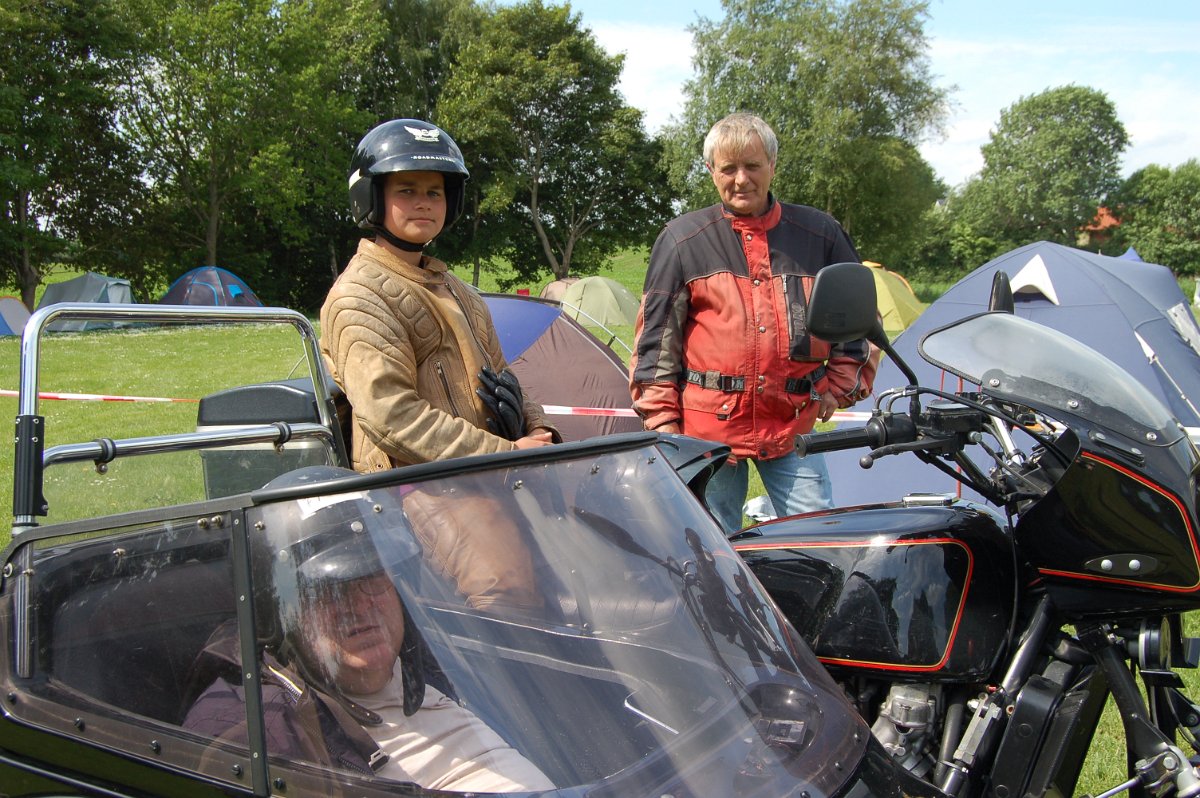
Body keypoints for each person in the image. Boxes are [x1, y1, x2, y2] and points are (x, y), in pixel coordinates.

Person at [183, 467, 555, 793]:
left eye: (374, 577)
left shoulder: (433, 656)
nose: (361, 605)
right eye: (332, 591)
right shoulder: (255, 731)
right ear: (278, 611)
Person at [321, 119, 558, 611]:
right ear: (371, 197)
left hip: (490, 471)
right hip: (418, 485)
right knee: (506, 591)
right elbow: (392, 416)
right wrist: (506, 453)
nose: (424, 202)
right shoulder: (358, 297)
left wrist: (539, 432)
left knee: (588, 570)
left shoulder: (461, 292)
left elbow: (503, 375)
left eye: (435, 190)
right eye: (406, 189)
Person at [629, 112, 878, 533]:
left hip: (793, 422)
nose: (741, 179)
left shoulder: (820, 234)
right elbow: (656, 342)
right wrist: (665, 425)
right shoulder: (681, 240)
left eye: (752, 166)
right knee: (709, 550)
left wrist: (840, 386)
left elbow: (857, 318)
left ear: (773, 166)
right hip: (706, 434)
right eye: (728, 168)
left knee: (821, 539)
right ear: (711, 172)